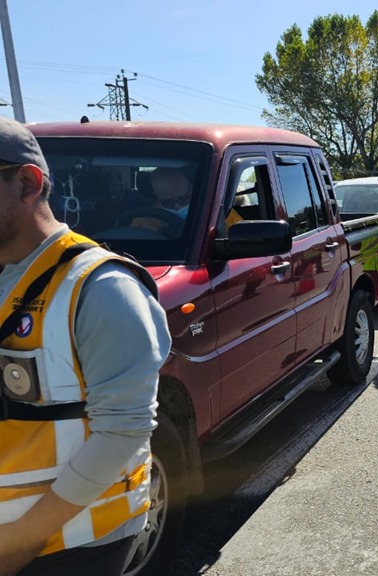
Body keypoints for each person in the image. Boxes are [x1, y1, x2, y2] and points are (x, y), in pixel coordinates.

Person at [0, 117, 171, 574]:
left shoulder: (101, 288)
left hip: (69, 544)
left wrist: (21, 539)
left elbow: (123, 431)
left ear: (27, 182)